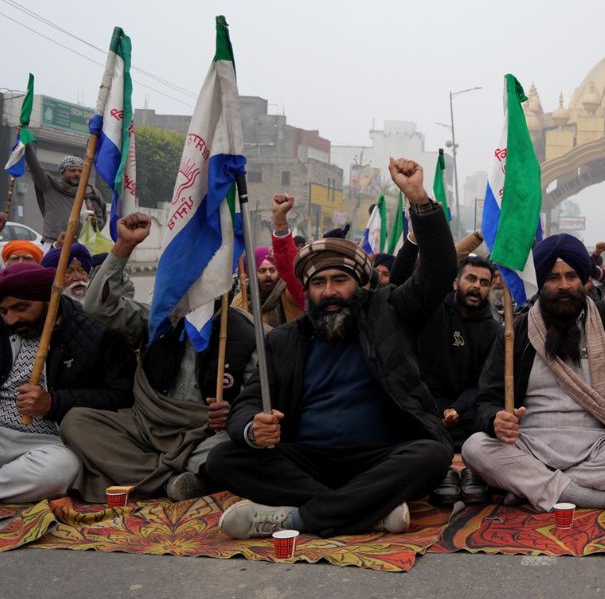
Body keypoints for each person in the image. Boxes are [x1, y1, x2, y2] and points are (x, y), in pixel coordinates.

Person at [206, 158, 455, 539]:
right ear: (307, 291)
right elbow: (248, 403)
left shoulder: (390, 311)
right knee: (224, 457)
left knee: (433, 455)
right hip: (307, 460)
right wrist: (252, 430)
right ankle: (367, 510)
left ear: (359, 284)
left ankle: (296, 519)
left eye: (340, 280)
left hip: (380, 455)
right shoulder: (284, 340)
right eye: (319, 283)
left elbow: (438, 271)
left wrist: (419, 200)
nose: (330, 292)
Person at [462, 220, 605, 512]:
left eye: (571, 276)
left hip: (600, 446)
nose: (563, 285)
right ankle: (586, 495)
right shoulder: (516, 333)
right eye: (552, 277)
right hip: (531, 446)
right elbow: (488, 399)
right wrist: (494, 419)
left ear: (583, 279)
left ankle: (537, 488)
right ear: (540, 282)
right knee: (474, 446)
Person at [60, 213, 255, 502]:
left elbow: (258, 402)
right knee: (75, 422)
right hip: (147, 427)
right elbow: (98, 308)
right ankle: (170, 481)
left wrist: (234, 414)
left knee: (226, 453)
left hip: (203, 434)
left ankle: (144, 474)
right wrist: (123, 247)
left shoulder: (246, 333)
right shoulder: (158, 320)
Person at [0, 262, 133, 501]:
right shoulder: (4, 328)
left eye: (21, 308)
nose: (10, 319)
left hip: (46, 441)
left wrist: (53, 403)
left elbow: (120, 397)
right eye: (3, 311)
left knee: (61, 469)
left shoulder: (96, 335)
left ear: (50, 300)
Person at [421, 255, 502, 507]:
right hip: (429, 403)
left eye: (484, 282)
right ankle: (441, 472)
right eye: (471, 279)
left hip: (467, 407)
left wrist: (458, 408)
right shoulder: (431, 312)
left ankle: (473, 472)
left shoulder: (492, 330)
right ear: (456, 283)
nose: (477, 286)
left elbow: (484, 382)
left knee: (491, 418)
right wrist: (441, 409)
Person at [233, 195, 305, 329]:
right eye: (262, 271)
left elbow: (291, 270)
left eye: (272, 270)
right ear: (251, 273)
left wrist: (280, 220)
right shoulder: (240, 301)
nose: (268, 275)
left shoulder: (289, 295)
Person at [24, 146, 106, 244]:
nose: (77, 174)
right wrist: (27, 145)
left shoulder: (90, 193)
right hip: (54, 243)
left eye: (80, 171)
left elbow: (100, 224)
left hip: (83, 246)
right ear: (62, 173)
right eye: (72, 170)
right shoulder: (50, 186)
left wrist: (94, 222)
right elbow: (35, 168)